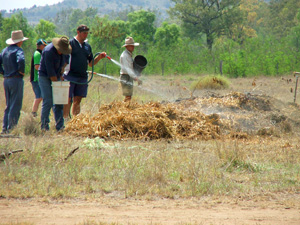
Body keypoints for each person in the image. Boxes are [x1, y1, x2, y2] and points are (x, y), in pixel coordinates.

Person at [63, 25, 106, 119]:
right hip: (70, 75)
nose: (86, 35)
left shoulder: (87, 46)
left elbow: (91, 63)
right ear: (78, 32)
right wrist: (61, 72)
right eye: (84, 33)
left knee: (78, 99)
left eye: (87, 33)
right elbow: (64, 59)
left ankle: (76, 119)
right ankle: (65, 118)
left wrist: (99, 57)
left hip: (82, 76)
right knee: (67, 99)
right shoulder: (70, 43)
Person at [39, 36, 72, 131]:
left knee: (59, 102)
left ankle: (60, 126)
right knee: (48, 100)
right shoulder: (48, 51)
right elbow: (50, 73)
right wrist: (58, 85)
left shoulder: (65, 52)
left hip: (56, 75)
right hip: (45, 76)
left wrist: (62, 70)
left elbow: (66, 61)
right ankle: (44, 126)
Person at [0, 30, 29, 134]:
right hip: (16, 79)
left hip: (6, 80)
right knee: (15, 105)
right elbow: (21, 60)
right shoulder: (18, 50)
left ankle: (5, 128)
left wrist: (2, 72)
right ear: (19, 41)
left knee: (8, 105)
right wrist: (21, 71)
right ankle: (11, 128)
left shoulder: (4, 50)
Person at [120, 36, 142, 102]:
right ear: (127, 47)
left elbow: (130, 67)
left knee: (129, 96)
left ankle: (125, 108)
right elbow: (128, 69)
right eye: (131, 46)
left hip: (128, 76)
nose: (133, 47)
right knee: (128, 96)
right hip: (125, 76)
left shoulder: (128, 55)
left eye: (133, 45)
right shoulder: (125, 56)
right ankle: (125, 108)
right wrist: (136, 78)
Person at [30, 39, 47, 117]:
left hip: (38, 78)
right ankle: (33, 113)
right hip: (36, 79)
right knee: (39, 96)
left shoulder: (40, 53)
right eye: (45, 46)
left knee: (41, 96)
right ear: (41, 46)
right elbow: (37, 66)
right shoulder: (37, 54)